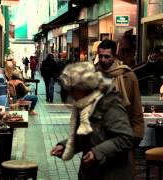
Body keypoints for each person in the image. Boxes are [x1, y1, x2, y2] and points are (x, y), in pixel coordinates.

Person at [51, 62, 133, 180]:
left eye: (73, 89)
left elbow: (125, 138)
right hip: (91, 172)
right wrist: (64, 146)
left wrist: (97, 153)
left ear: (84, 86)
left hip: (111, 173)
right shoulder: (84, 105)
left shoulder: (109, 103)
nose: (71, 94)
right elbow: (86, 136)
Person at [96, 39, 144, 177]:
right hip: (99, 138)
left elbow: (136, 109)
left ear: (114, 56)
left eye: (107, 56)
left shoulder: (128, 76)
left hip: (122, 137)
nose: (103, 60)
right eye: (101, 56)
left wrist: (135, 136)